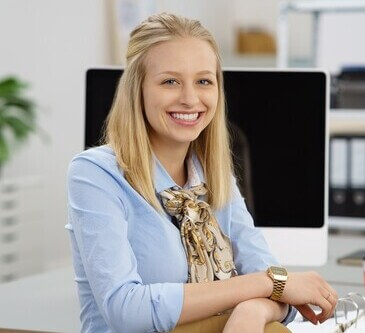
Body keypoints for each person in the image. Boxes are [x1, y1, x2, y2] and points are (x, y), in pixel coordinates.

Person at [66, 12, 338, 333]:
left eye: (204, 81)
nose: (190, 98)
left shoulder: (213, 174)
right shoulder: (95, 173)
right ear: (136, 89)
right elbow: (126, 309)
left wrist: (252, 310)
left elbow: (281, 290)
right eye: (170, 81)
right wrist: (268, 284)